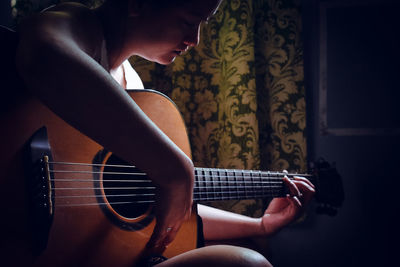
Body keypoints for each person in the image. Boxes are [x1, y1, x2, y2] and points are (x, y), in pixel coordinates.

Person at [15, 0, 315, 266]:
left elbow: (159, 206)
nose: (195, 39)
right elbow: (41, 50)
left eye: (202, 24)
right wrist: (174, 167)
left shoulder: (131, 82)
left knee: (249, 258)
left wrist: (260, 226)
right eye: (188, 21)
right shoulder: (79, 24)